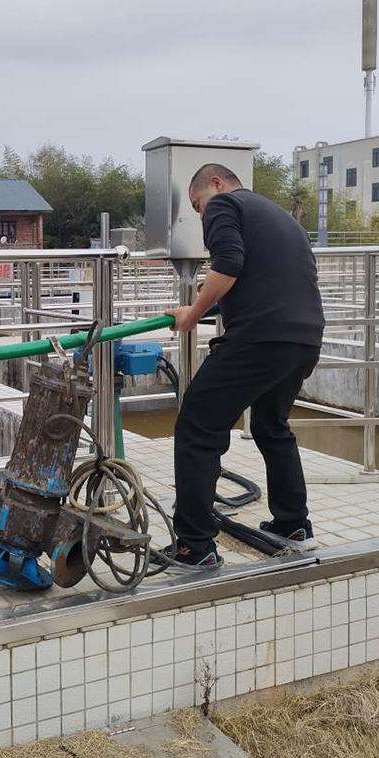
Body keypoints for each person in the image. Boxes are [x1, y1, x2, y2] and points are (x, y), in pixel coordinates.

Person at [165, 163, 325, 569]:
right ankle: (293, 525)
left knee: (197, 427)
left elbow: (229, 262)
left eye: (197, 205)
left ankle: (194, 546)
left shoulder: (225, 205)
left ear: (216, 185)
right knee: (271, 425)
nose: (202, 215)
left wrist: (194, 310)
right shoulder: (281, 218)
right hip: (304, 338)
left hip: (260, 338)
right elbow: (272, 273)